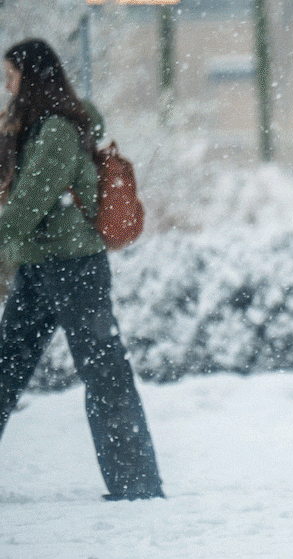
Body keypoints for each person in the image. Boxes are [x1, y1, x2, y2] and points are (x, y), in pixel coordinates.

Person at [0, 39, 164, 500]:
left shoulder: (56, 130)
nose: (6, 85)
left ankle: (136, 484)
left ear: (32, 78)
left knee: (104, 372)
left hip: (75, 267)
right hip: (39, 265)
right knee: (6, 367)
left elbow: (30, 200)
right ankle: (136, 482)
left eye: (11, 76)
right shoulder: (31, 126)